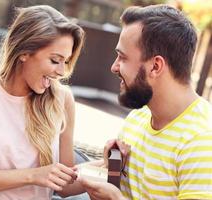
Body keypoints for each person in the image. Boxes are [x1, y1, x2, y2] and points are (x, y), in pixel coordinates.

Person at [0, 5, 85, 200]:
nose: (62, 72)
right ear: (24, 52)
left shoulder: (62, 100)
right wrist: (33, 176)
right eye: (55, 60)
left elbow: (64, 186)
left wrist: (105, 166)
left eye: (66, 61)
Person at [78, 4, 212, 200]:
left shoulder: (202, 141)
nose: (114, 67)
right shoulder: (138, 118)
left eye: (122, 57)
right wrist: (110, 169)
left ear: (155, 66)